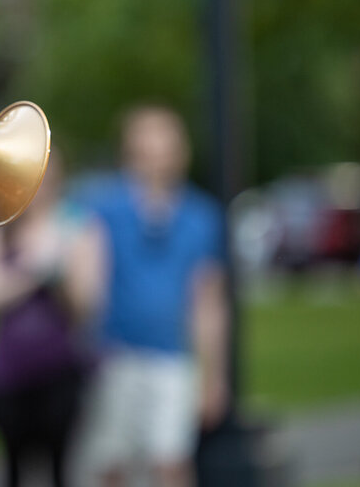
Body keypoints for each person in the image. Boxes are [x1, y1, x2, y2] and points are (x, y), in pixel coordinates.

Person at [74, 104, 229, 487]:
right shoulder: (104, 207)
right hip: (115, 354)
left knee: (170, 462)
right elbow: (85, 284)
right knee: (111, 464)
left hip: (173, 358)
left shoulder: (200, 215)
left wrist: (213, 374)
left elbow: (207, 301)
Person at [0, 150, 91, 487]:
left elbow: (85, 305)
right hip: (6, 372)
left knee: (61, 468)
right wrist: (31, 273)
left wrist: (59, 274)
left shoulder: (74, 227)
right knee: (11, 467)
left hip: (59, 370)